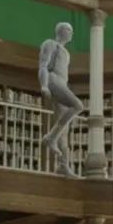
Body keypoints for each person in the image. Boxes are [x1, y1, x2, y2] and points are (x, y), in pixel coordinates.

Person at [38, 22, 85, 178]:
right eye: (69, 29)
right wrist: (44, 85)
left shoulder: (67, 53)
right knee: (78, 105)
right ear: (60, 31)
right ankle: (50, 137)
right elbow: (43, 66)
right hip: (53, 80)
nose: (71, 33)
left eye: (72, 30)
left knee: (64, 130)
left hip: (63, 83)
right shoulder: (51, 44)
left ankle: (63, 166)